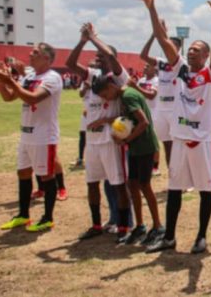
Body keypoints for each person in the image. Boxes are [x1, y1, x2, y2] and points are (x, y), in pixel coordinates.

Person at [141, 0, 211, 255]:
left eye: (198, 51)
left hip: (201, 142)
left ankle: (201, 237)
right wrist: (151, 8)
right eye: (191, 50)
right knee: (174, 189)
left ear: (206, 56)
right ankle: (170, 237)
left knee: (204, 191)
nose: (191, 53)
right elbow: (164, 41)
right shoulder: (179, 69)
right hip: (178, 139)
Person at [66, 23, 133, 243]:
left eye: (102, 56)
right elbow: (69, 63)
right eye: (97, 57)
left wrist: (93, 37)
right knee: (92, 183)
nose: (99, 59)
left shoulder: (118, 77)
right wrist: (83, 41)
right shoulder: (92, 76)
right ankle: (96, 224)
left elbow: (111, 56)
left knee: (119, 184)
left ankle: (124, 226)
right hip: (92, 140)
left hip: (111, 140)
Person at [0, 43, 62, 232]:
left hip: (43, 135)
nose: (30, 54)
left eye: (36, 53)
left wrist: (11, 80)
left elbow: (32, 98)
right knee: (23, 173)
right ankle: (23, 215)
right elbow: (9, 97)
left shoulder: (52, 78)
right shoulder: (30, 76)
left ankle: (47, 218)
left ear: (47, 59)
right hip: (26, 133)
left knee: (46, 176)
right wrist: (2, 82)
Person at [91, 74, 164, 246]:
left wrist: (126, 140)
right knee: (132, 185)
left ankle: (158, 226)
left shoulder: (128, 96)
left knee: (145, 185)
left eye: (104, 95)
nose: (105, 99)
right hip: (135, 148)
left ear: (111, 86)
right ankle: (139, 226)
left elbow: (143, 122)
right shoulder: (124, 95)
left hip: (144, 146)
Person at [140, 33, 183, 169]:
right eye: (165, 45)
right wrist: (153, 35)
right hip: (162, 109)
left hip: (176, 108)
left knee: (180, 145)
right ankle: (174, 178)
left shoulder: (182, 63)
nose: (167, 47)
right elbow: (143, 56)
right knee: (167, 145)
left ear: (178, 48)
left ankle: (185, 177)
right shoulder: (161, 63)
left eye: (171, 45)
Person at [129, 62, 160, 175]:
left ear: (154, 69)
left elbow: (151, 95)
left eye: (148, 66)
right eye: (145, 66)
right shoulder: (141, 80)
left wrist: (135, 87)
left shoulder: (156, 80)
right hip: (141, 112)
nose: (145, 67)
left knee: (153, 141)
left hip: (153, 113)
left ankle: (155, 166)